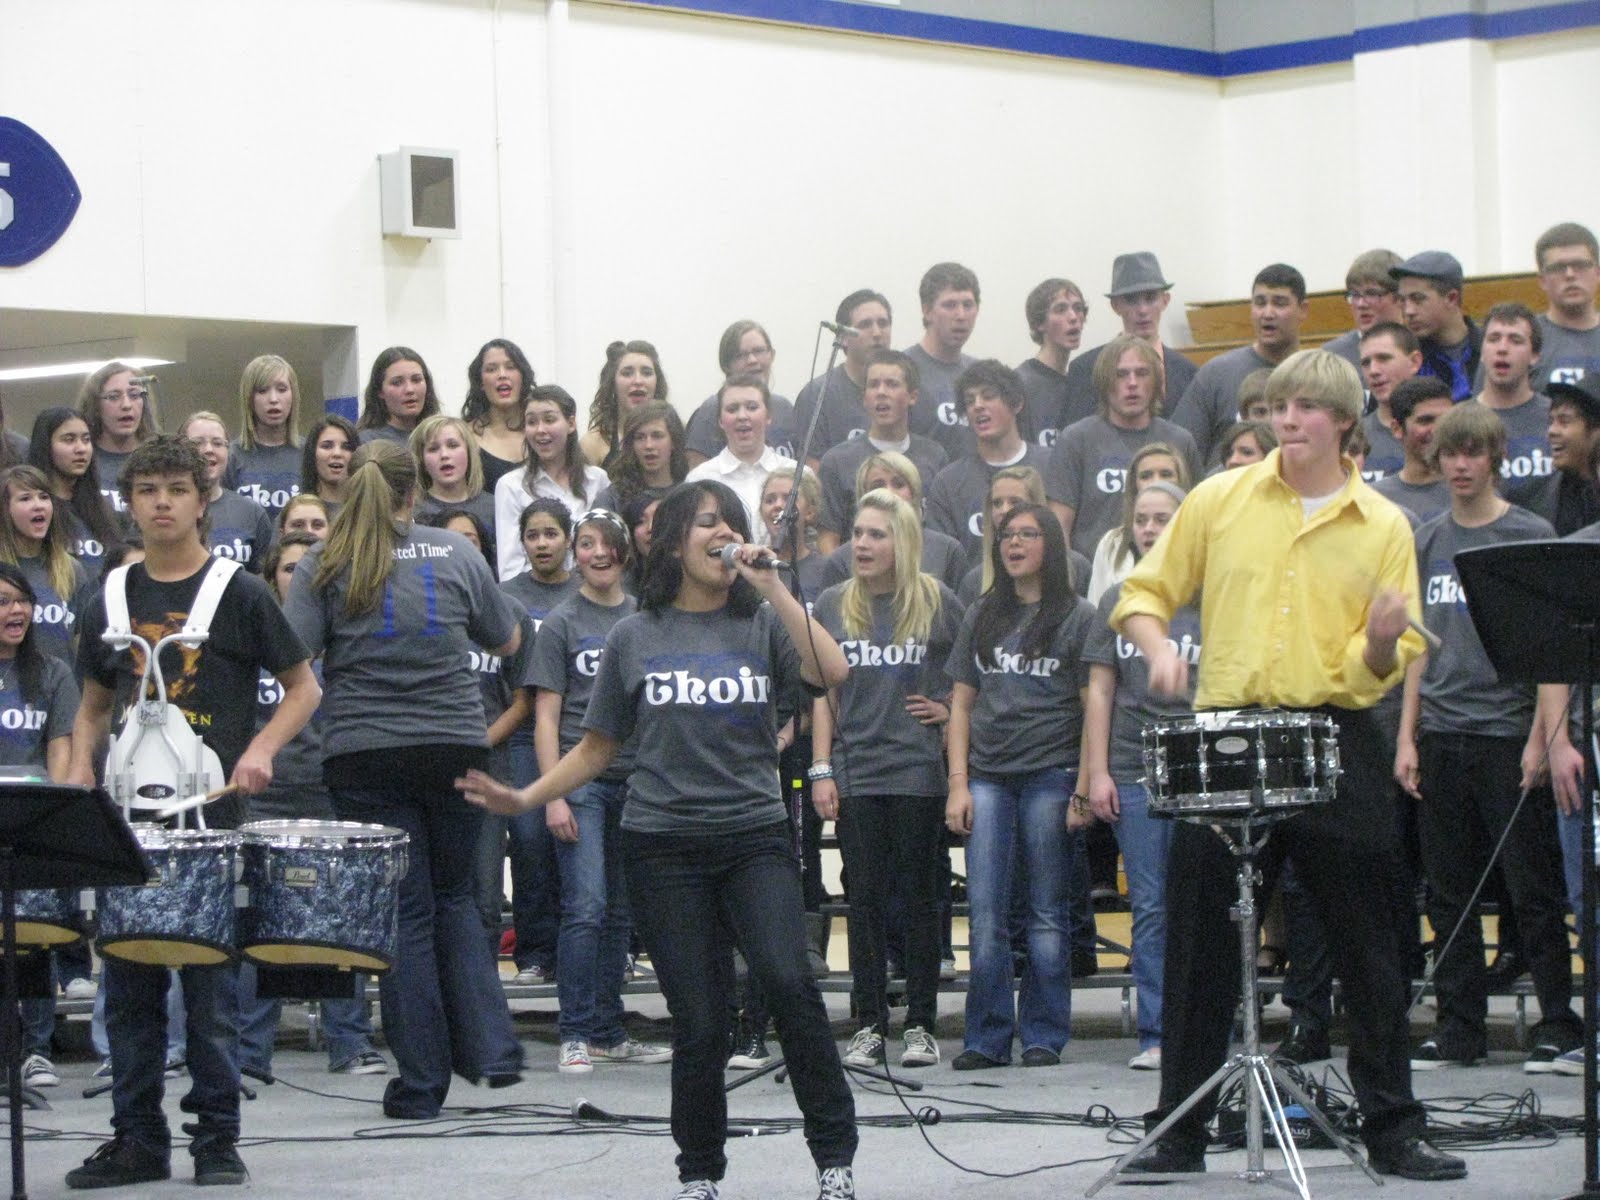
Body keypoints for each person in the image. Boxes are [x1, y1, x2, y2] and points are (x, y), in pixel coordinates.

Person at [1110, 349, 1466, 1182]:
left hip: (1335, 733)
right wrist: (1159, 649)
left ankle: (1392, 1127)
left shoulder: (1383, 524)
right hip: (1228, 737)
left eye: (1308, 406)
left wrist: (1378, 642)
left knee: (1370, 943)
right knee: (1202, 944)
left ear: (1345, 421)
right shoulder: (1218, 499)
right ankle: (1181, 1129)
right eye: (1280, 404)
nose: (1289, 418)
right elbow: (1143, 593)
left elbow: (1386, 657)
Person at [459, 480, 858, 1200]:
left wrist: (770, 584)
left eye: (731, 523)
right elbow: (596, 747)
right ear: (673, 540)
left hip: (753, 836)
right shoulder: (634, 636)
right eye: (708, 522)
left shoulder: (762, 623)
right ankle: (700, 1172)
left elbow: (831, 671)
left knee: (791, 983)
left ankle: (834, 1159)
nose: (723, 533)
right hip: (663, 846)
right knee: (700, 1019)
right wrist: (525, 795)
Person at [67, 436, 318, 1189]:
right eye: (148, 491)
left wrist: (262, 749)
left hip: (211, 818)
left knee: (209, 991)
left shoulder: (239, 592)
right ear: (129, 502)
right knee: (129, 990)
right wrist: (81, 771)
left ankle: (217, 1138)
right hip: (130, 817)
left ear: (203, 499)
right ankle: (137, 1138)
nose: (163, 503)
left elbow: (304, 686)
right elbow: (90, 708)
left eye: (178, 489)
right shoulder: (106, 596)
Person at [283, 440, 524, 1120]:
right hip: (453, 744)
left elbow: (295, 653)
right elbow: (507, 641)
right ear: (413, 494)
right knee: (456, 902)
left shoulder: (324, 562)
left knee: (406, 917)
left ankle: (420, 1086)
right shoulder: (456, 553)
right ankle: (492, 1052)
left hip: (364, 753)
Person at [1394, 400, 1580, 1073]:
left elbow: (1553, 646)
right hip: (1442, 733)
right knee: (1450, 895)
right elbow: (1416, 645)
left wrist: (1543, 736)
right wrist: (1407, 736)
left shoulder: (1527, 534)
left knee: (1531, 889)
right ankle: (1460, 1027)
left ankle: (1559, 1021)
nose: (1462, 465)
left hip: (1507, 733)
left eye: (1474, 453)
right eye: (1451, 453)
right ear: (1438, 460)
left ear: (1494, 460)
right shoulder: (1427, 540)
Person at [811, 488, 962, 1071]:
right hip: (856, 771)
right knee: (866, 898)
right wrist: (821, 769)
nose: (863, 544)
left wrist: (948, 711)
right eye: (859, 533)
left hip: (919, 772)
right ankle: (869, 1021)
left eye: (878, 534)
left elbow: (966, 683)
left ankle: (921, 1022)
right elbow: (823, 694)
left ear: (904, 541)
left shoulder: (936, 601)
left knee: (923, 901)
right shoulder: (830, 603)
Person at [944, 501, 1093, 1069]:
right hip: (987, 777)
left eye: (1028, 534)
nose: (1014, 543)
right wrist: (958, 783)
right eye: (1007, 534)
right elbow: (960, 703)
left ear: (1050, 547)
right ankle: (985, 1036)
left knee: (1048, 914)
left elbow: (1091, 707)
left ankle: (1043, 1033)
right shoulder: (982, 614)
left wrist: (1082, 785)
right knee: (985, 913)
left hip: (1052, 774)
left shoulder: (1078, 615)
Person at [236, 531, 388, 1079]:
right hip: (263, 802)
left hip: (331, 795)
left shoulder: (342, 645)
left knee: (339, 926)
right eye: (287, 569)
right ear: (272, 577)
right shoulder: (251, 646)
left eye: (308, 570)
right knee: (258, 928)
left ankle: (350, 1043)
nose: (297, 578)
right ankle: (251, 1053)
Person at [529, 509, 671, 1073]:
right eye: (586, 544)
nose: (598, 553)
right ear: (574, 554)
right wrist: (552, 794)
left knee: (618, 912)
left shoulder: (643, 620)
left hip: (637, 781)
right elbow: (544, 718)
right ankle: (574, 1032)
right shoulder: (561, 623)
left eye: (608, 543)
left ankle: (610, 1030)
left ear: (624, 552)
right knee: (584, 906)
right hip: (580, 782)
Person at [1081, 481, 1194, 1072]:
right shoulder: (1118, 599)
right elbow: (1101, 689)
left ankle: (1206, 1024)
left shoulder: (1210, 593)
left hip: (1204, 770)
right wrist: (1097, 772)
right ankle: (1156, 1032)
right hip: (1133, 766)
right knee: (1149, 905)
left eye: (1162, 519)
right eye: (1142, 520)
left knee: (1203, 904)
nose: (1150, 529)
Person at [0, 560, 82, 1091]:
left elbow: (62, 748)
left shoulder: (51, 672)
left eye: (21, 600)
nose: (16, 611)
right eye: (3, 601)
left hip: (30, 819)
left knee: (32, 937)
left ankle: (33, 1047)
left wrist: (53, 819)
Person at [498, 499, 582, 986]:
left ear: (567, 538)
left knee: (583, 845)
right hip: (526, 737)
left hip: (581, 735)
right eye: (533, 535)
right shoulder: (506, 596)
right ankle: (534, 951)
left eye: (551, 533)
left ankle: (591, 950)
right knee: (530, 842)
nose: (543, 543)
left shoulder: (586, 590)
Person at [1047, 335, 1200, 562]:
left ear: (1156, 381)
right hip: (1094, 576)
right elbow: (1058, 527)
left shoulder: (1180, 441)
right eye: (1121, 374)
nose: (1132, 383)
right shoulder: (1076, 440)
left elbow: (1197, 519)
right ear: (1104, 381)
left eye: (1141, 373)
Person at [1171, 263, 1308, 462]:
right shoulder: (1216, 374)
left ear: (1303, 310)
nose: (1267, 313)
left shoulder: (1317, 379)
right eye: (1260, 303)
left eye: (1279, 303)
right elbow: (1179, 453)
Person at [816, 349, 947, 554]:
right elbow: (827, 538)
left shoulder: (935, 456)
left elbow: (939, 534)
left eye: (892, 384)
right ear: (864, 397)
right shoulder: (837, 461)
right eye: (873, 385)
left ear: (912, 396)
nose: (881, 392)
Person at [923, 360, 1050, 563]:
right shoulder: (949, 482)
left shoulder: (1051, 465)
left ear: (1017, 403)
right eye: (970, 401)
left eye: (989, 396)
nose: (978, 406)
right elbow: (943, 561)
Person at [1063, 253, 1198, 427]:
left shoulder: (1188, 372)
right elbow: (1076, 443)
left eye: (1150, 298)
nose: (1142, 310)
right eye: (1131, 300)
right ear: (1115, 306)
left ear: (1165, 301)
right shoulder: (1085, 369)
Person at [494, 385, 608, 580]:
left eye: (549, 420)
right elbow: (510, 569)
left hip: (591, 594)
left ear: (571, 423)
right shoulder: (511, 485)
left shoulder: (597, 480)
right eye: (531, 422)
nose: (540, 430)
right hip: (533, 601)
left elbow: (608, 548)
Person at [817, 452, 967, 591]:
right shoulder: (842, 559)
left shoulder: (947, 550)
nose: (889, 491)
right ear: (863, 494)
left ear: (914, 492)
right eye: (878, 485)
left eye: (898, 484)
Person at [684, 376, 796, 544]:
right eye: (732, 409)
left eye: (752, 407)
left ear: (768, 416)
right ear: (720, 421)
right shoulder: (700, 479)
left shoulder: (797, 474)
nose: (742, 416)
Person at [793, 289, 894, 466]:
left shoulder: (903, 387)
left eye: (883, 323)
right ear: (843, 337)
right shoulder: (818, 394)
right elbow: (812, 470)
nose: (877, 333)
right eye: (865, 325)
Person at [0, 464, 88, 667]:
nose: (38, 505)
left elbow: (81, 645)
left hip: (57, 690)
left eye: (44, 496)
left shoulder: (72, 569)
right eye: (25, 498)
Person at [1082, 442, 1191, 604]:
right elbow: (1097, 607)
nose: (1155, 481)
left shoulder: (1199, 542)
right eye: (1146, 476)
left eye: (1166, 474)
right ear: (1134, 484)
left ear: (1180, 480)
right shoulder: (1112, 543)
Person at [1475, 301, 1556, 506]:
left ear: (1535, 356)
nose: (1502, 348)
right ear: (1482, 352)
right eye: (1493, 339)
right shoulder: (1458, 421)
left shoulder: (1556, 419)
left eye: (1515, 340)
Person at [684, 320, 797, 467]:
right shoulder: (711, 410)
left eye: (759, 351)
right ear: (726, 365)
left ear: (772, 355)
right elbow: (697, 477)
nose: (752, 360)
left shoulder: (785, 408)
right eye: (741, 355)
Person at [29, 406, 122, 579]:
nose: (81, 449)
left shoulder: (104, 509)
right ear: (45, 446)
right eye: (69, 440)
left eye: (86, 440)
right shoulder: (34, 511)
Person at [905, 262, 982, 460]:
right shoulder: (902, 371)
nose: (961, 315)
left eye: (968, 305)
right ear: (927, 310)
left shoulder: (981, 375)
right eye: (950, 305)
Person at [182, 413, 275, 573]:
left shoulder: (252, 513)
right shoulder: (169, 509)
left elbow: (264, 578)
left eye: (217, 443)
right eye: (197, 443)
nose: (208, 450)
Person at [1391, 251, 1482, 401]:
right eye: (1402, 300)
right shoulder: (1406, 360)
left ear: (1452, 298)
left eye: (1418, 299)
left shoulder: (1490, 350)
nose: (1408, 311)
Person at [76, 361, 159, 520]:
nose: (126, 405)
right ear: (96, 406)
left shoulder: (158, 460)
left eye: (134, 395)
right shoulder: (81, 460)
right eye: (113, 397)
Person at [226, 355, 303, 520]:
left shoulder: (310, 453)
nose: (273, 399)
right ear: (249, 398)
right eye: (262, 390)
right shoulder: (231, 456)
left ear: (293, 395)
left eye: (282, 389)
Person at [1528, 221, 1600, 391]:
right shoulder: (1522, 338)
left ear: (1597, 273)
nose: (1570, 275)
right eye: (1558, 267)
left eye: (1580, 265)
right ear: (1542, 280)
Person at [1015, 277, 1089, 444]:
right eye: (1061, 309)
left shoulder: (1081, 381)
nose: (1073, 317)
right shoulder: (1022, 383)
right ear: (1040, 323)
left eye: (1078, 308)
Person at [1525, 374, 1600, 534]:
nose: (1551, 431)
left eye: (1564, 421)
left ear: (1596, 430)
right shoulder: (1539, 500)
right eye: (1551, 421)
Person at [1370, 379, 1453, 522]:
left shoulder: (1474, 494)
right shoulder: (1373, 499)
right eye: (1426, 420)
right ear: (1397, 429)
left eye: (1446, 420)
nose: (1437, 430)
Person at [462, 338, 536, 492]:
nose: (502, 374)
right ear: (481, 382)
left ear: (523, 377)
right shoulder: (464, 437)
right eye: (491, 369)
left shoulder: (542, 433)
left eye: (510, 367)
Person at [582, 340, 668, 469]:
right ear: (612, 382)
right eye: (627, 373)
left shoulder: (677, 432)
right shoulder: (593, 443)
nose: (638, 381)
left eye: (646, 373)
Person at [409, 414, 496, 540]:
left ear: (469, 451)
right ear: (421, 459)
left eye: (453, 445)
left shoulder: (493, 506)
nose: (444, 455)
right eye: (433, 449)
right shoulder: (413, 510)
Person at [1357, 321, 1424, 482]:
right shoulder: (1353, 437)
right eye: (1366, 363)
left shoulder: (1442, 431)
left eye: (1383, 359)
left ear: (1414, 362)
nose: (1373, 371)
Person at [594, 400, 687, 515]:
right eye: (640, 437)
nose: (649, 445)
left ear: (674, 441)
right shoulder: (613, 499)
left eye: (657, 436)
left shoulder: (689, 495)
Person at [1321, 250, 1405, 366]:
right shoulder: (1332, 357)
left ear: (1399, 297)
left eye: (1372, 294)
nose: (1361, 304)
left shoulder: (1422, 348)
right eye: (1355, 295)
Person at [357, 347, 441, 445]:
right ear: (380, 391)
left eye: (416, 380)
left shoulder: (442, 437)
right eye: (397, 383)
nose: (409, 389)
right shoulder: (367, 442)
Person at [299, 414, 358, 514]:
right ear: (312, 453)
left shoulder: (369, 513)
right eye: (327, 446)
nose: (337, 453)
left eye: (346, 447)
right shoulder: (295, 512)